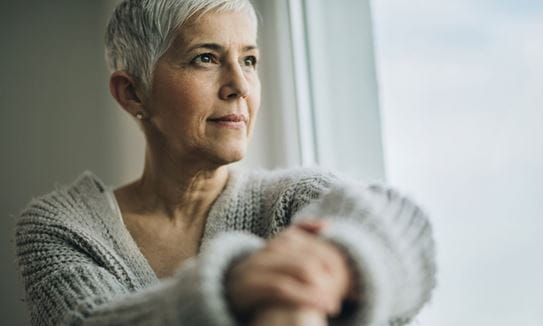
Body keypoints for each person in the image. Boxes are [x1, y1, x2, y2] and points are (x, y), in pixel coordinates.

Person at [14, 0, 436, 325]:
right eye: (206, 58)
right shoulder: (61, 227)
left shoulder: (295, 200)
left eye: (249, 60)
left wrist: (336, 265)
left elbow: (405, 231)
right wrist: (231, 287)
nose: (239, 86)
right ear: (133, 93)